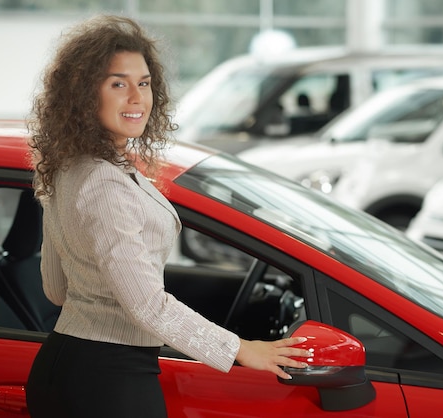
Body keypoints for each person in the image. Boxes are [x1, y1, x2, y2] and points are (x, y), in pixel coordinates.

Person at [25, 15, 311, 418]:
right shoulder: (105, 183)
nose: (137, 98)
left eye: (143, 83)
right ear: (83, 94)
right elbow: (147, 305)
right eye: (118, 83)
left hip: (67, 366)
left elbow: (56, 289)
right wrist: (243, 349)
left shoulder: (70, 168)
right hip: (109, 382)